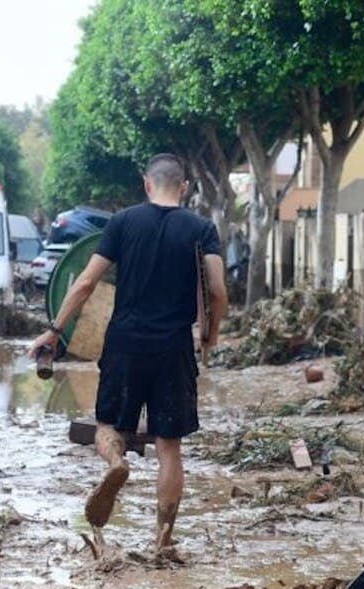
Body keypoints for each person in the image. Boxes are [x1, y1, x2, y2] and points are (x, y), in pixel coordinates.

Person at [28, 153, 228, 551]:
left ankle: (116, 463)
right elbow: (218, 292)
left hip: (124, 344)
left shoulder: (122, 223)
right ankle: (162, 538)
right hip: (173, 348)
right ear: (184, 187)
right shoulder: (201, 229)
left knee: (108, 426)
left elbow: (85, 282)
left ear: (147, 184)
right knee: (169, 445)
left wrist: (53, 331)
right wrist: (211, 335)